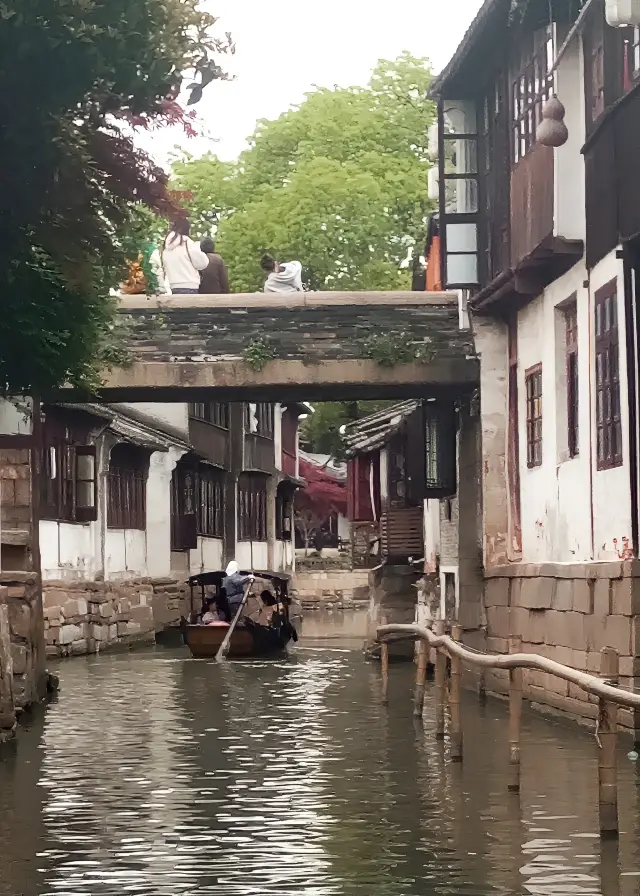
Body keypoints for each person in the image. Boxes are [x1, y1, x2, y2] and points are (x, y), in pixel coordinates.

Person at [161, 219, 209, 294]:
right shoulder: (188, 244)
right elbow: (202, 264)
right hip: (190, 285)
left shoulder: (166, 247)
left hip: (173, 285)